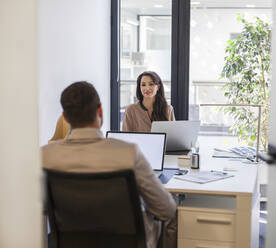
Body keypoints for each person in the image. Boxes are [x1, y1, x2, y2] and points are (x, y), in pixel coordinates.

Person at [41, 81, 177, 248]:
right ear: (100, 111)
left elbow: (36, 206)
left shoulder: (43, 156)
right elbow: (166, 209)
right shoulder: (129, 153)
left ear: (65, 118)